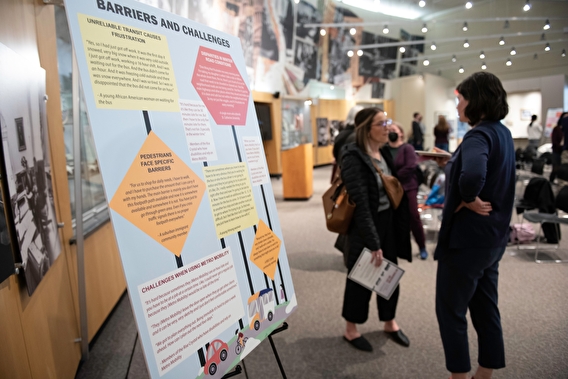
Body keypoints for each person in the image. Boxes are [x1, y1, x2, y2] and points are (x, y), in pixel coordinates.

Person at [434, 72, 515, 379]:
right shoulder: (502, 133)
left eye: (460, 100)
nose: (457, 107)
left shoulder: (477, 135)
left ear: (475, 101)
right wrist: (452, 163)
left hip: (467, 241)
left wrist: (466, 197)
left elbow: (472, 177)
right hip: (492, 240)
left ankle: (458, 377)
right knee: (485, 309)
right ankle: (485, 373)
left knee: (451, 311)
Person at [339, 107, 412, 352]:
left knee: (389, 274)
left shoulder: (383, 153)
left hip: (386, 223)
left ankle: (389, 321)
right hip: (364, 227)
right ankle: (351, 329)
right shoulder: (353, 156)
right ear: (365, 129)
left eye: (388, 122)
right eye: (381, 123)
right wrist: (373, 242)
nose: (388, 128)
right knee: (361, 278)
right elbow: (360, 205)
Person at [386, 122, 428, 259]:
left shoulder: (407, 148)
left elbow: (410, 167)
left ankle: (422, 246)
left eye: (394, 130)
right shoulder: (384, 149)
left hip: (407, 187)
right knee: (392, 218)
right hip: (390, 189)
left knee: (413, 216)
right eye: (389, 130)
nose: (391, 132)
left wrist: (392, 177)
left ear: (401, 133)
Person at [549, 112, 566, 182]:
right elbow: (554, 141)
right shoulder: (557, 129)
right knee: (556, 168)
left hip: (564, 151)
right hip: (557, 151)